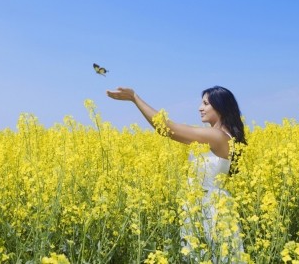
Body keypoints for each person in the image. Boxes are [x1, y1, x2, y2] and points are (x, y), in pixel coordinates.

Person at [106, 85, 247, 262]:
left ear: (221, 107)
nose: (200, 108)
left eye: (205, 103)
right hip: (200, 205)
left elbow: (166, 128)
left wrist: (135, 98)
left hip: (211, 210)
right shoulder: (215, 135)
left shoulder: (217, 136)